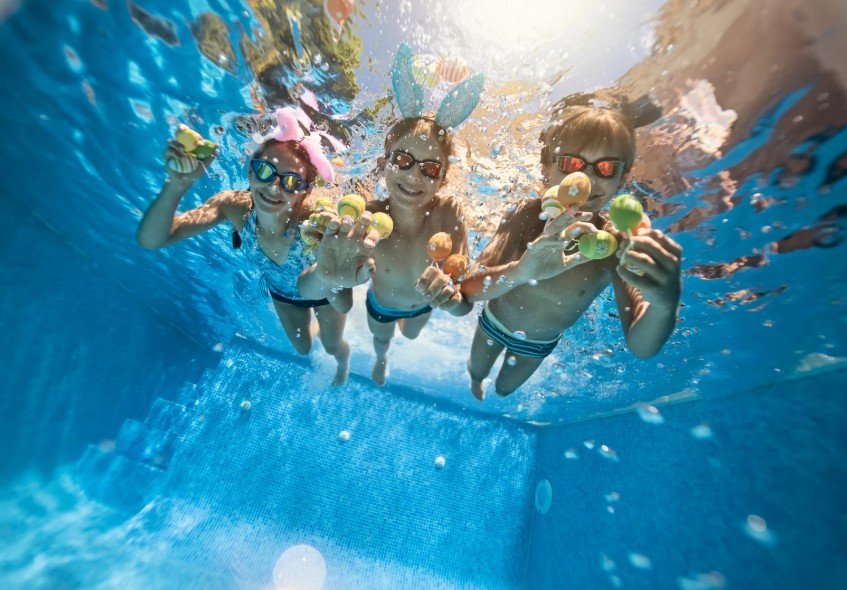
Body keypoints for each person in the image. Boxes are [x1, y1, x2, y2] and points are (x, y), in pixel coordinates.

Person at [461, 95, 683, 399]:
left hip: (537, 345)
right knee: (477, 371)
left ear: (622, 180)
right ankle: (475, 383)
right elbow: (469, 289)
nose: (587, 179)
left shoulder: (615, 245)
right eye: (571, 163)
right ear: (546, 167)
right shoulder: (526, 215)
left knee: (504, 389)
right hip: (493, 322)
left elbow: (641, 346)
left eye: (605, 168)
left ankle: (491, 391)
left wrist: (664, 304)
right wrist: (522, 270)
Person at [301, 43, 483, 385]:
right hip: (380, 305)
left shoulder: (450, 212)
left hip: (422, 307)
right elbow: (314, 288)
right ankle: (382, 360)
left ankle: (389, 350)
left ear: (443, 179)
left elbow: (463, 306)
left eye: (430, 169)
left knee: (411, 336)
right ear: (385, 161)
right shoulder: (367, 216)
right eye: (402, 160)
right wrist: (330, 274)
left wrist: (450, 298)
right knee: (381, 339)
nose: (414, 177)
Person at [136, 108, 352, 385]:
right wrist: (177, 186)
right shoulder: (234, 207)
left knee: (333, 346)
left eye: (290, 182)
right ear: (250, 170)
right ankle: (316, 328)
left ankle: (342, 360)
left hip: (323, 291)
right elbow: (152, 239)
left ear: (305, 191)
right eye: (265, 171)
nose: (274, 188)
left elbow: (342, 270)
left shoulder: (314, 220)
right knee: (304, 348)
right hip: (282, 291)